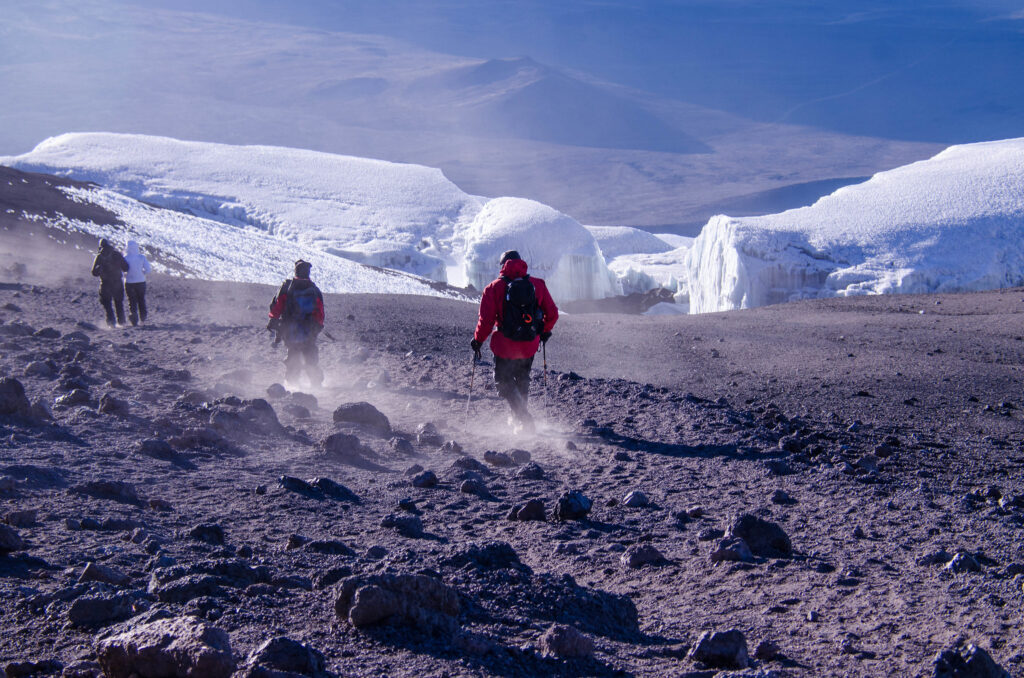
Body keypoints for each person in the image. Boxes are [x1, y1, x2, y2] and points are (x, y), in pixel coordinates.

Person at [471, 250, 558, 434]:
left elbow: (485, 321)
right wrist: (543, 330)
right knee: (522, 378)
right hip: (529, 344)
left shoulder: (493, 288)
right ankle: (519, 419)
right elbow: (552, 314)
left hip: (505, 345)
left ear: (503, 265)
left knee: (503, 381)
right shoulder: (537, 285)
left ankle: (524, 419)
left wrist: (478, 340)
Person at [268, 260, 325, 387]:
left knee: (293, 354)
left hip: (290, 330)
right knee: (310, 355)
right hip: (309, 330)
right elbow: (320, 312)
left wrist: (273, 319)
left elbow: (276, 307)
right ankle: (316, 384)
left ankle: (292, 383)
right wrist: (317, 327)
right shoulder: (314, 289)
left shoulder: (287, 287)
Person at [90, 238, 129, 328]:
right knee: (119, 303)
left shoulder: (99, 256)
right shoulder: (117, 254)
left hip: (105, 284)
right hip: (117, 283)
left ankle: (111, 323)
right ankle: (122, 322)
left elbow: (94, 272)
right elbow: (126, 268)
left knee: (107, 304)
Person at [123, 240, 152, 326]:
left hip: (129, 282)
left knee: (132, 301)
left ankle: (134, 319)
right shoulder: (141, 257)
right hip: (141, 282)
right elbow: (148, 269)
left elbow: (122, 271)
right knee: (141, 300)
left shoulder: (125, 258)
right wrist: (142, 273)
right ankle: (143, 318)